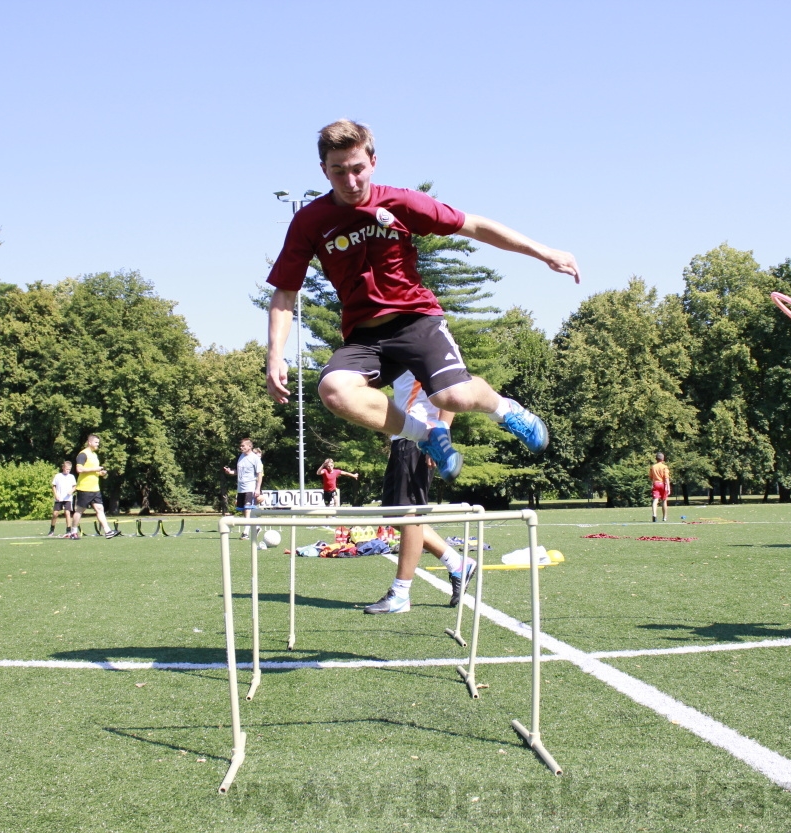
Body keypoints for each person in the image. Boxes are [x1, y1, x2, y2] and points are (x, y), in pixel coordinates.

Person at [265, 120, 579, 484]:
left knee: (454, 399)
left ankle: (505, 409)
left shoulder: (399, 202)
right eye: (338, 172)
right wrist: (275, 354)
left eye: (357, 169)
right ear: (324, 170)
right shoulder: (309, 221)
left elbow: (472, 225)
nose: (350, 182)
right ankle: (427, 435)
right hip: (365, 338)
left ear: (373, 163)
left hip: (416, 322)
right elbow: (286, 291)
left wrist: (542, 251)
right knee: (333, 390)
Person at [365, 371, 476, 614]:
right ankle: (458, 564)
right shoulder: (397, 346)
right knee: (392, 517)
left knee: (408, 516)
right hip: (403, 436)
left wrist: (440, 439)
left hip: (421, 436)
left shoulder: (425, 341)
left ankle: (401, 593)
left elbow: (451, 390)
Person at [68, 434, 120, 540]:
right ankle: (73, 531)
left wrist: (101, 473)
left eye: (98, 443)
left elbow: (93, 470)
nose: (98, 445)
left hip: (95, 488)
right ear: (90, 442)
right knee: (80, 511)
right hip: (85, 488)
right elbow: (79, 469)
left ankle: (108, 531)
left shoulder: (94, 455)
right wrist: (95, 469)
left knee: (100, 509)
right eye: (96, 442)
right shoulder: (83, 454)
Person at [223, 438, 263, 539]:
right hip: (240, 488)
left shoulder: (255, 458)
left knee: (248, 509)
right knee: (244, 510)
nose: (241, 448)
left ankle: (246, 532)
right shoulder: (241, 457)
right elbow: (238, 471)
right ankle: (257, 527)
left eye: (243, 446)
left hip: (250, 487)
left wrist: (257, 488)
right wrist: (230, 472)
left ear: (250, 446)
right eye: (240, 446)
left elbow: (259, 474)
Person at [50, 460, 77, 536]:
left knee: (67, 513)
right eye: (66, 469)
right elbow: (53, 486)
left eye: (69, 469)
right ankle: (52, 530)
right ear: (63, 468)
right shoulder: (58, 476)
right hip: (59, 498)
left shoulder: (71, 477)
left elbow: (75, 486)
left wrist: (71, 491)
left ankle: (68, 530)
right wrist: (56, 495)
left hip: (68, 498)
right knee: (55, 514)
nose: (68, 471)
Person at [649, 452, 671, 523]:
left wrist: (652, 484)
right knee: (664, 500)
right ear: (663, 459)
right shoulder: (664, 467)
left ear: (656, 459)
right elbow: (666, 478)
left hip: (656, 483)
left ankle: (654, 514)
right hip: (663, 484)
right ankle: (664, 517)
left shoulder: (653, 467)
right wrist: (668, 487)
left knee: (655, 500)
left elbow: (651, 477)